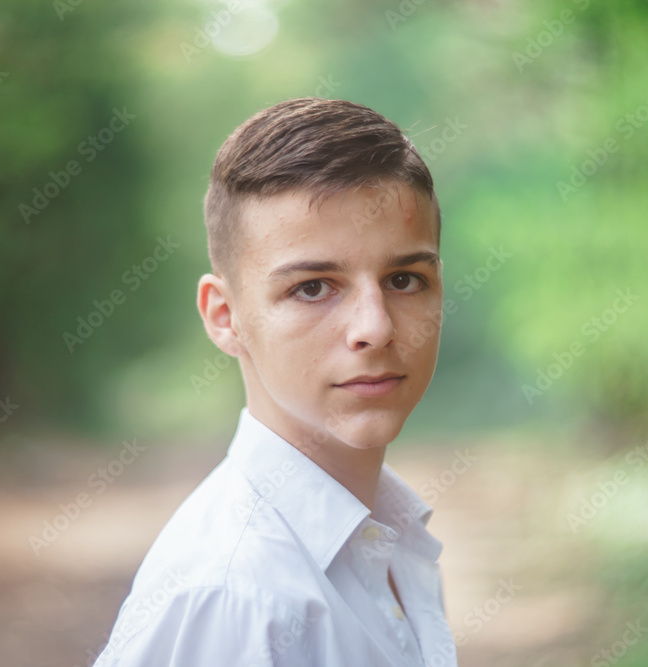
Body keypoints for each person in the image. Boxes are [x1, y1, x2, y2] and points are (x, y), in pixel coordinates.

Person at [95, 97, 457, 666]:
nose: (375, 327)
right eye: (313, 287)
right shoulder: (233, 597)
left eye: (405, 279)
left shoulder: (386, 541)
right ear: (224, 316)